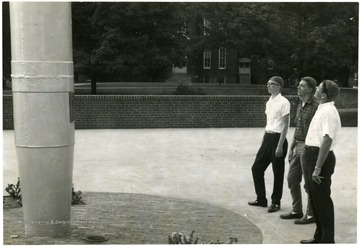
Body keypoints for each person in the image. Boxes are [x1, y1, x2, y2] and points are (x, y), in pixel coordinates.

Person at [300, 80, 341, 244]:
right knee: (316, 200)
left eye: (318, 88)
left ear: (323, 95)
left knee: (322, 201)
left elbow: (326, 140)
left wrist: (317, 167)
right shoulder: (322, 108)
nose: (315, 89)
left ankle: (327, 240)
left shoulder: (328, 111)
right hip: (311, 155)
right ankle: (319, 237)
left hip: (319, 158)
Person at [248, 76, 290, 213]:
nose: (268, 86)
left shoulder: (284, 102)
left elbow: (285, 126)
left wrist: (279, 145)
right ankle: (261, 199)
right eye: (268, 83)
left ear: (279, 86)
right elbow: (269, 124)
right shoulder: (269, 101)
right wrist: (263, 141)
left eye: (271, 84)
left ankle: (276, 202)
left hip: (278, 139)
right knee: (256, 168)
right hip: (268, 137)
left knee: (278, 173)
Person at [280, 77, 318, 224]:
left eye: (302, 86)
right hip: (298, 146)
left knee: (308, 183)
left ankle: (311, 214)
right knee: (292, 179)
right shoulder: (300, 104)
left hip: (309, 147)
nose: (298, 87)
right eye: (299, 85)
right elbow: (298, 129)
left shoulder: (316, 106)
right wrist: (291, 148)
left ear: (310, 89)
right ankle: (297, 210)